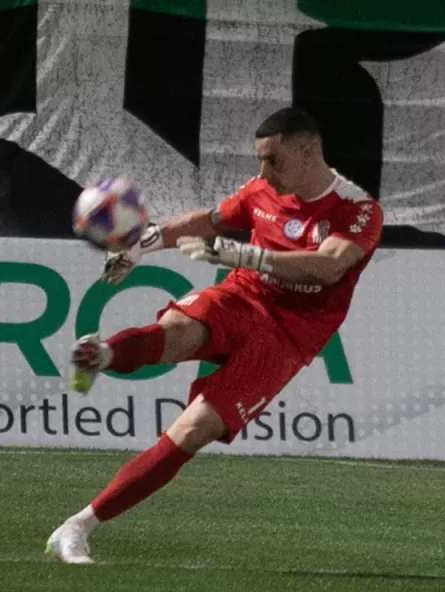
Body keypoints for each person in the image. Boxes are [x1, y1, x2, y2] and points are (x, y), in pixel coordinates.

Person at [46, 107, 383, 564]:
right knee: (178, 332)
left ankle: (78, 525)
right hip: (243, 298)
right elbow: (205, 221)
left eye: (272, 160)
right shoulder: (261, 191)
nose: (263, 172)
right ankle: (101, 355)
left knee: (192, 429)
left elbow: (327, 266)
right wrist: (139, 246)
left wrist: (240, 254)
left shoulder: (357, 210)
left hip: (288, 339)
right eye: (260, 160)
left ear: (308, 150)